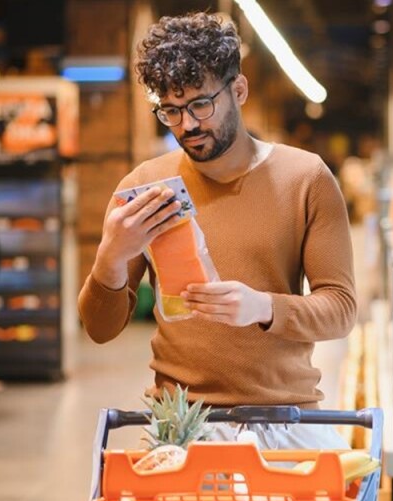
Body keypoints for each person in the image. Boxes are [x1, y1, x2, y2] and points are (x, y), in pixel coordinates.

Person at [77, 12, 357, 449]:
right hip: (182, 427)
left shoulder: (306, 179)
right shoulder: (145, 189)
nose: (187, 125)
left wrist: (263, 307)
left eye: (200, 105)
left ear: (238, 90)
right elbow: (99, 329)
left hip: (286, 419)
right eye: (170, 110)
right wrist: (110, 259)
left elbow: (340, 308)